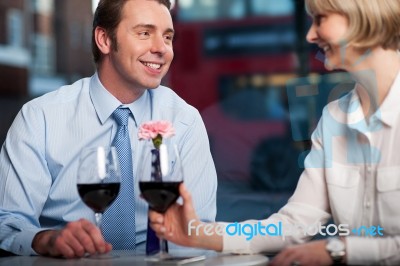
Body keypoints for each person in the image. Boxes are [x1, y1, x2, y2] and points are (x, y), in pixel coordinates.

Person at [149, 0, 400, 265]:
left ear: (360, 15)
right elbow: (293, 225)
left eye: (321, 18)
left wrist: (339, 250)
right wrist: (199, 233)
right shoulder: (334, 118)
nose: (310, 35)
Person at [0, 0, 217, 258]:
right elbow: (8, 224)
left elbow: (200, 232)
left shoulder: (185, 122)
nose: (162, 49)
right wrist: (45, 239)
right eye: (145, 33)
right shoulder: (40, 119)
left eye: (167, 37)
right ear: (104, 40)